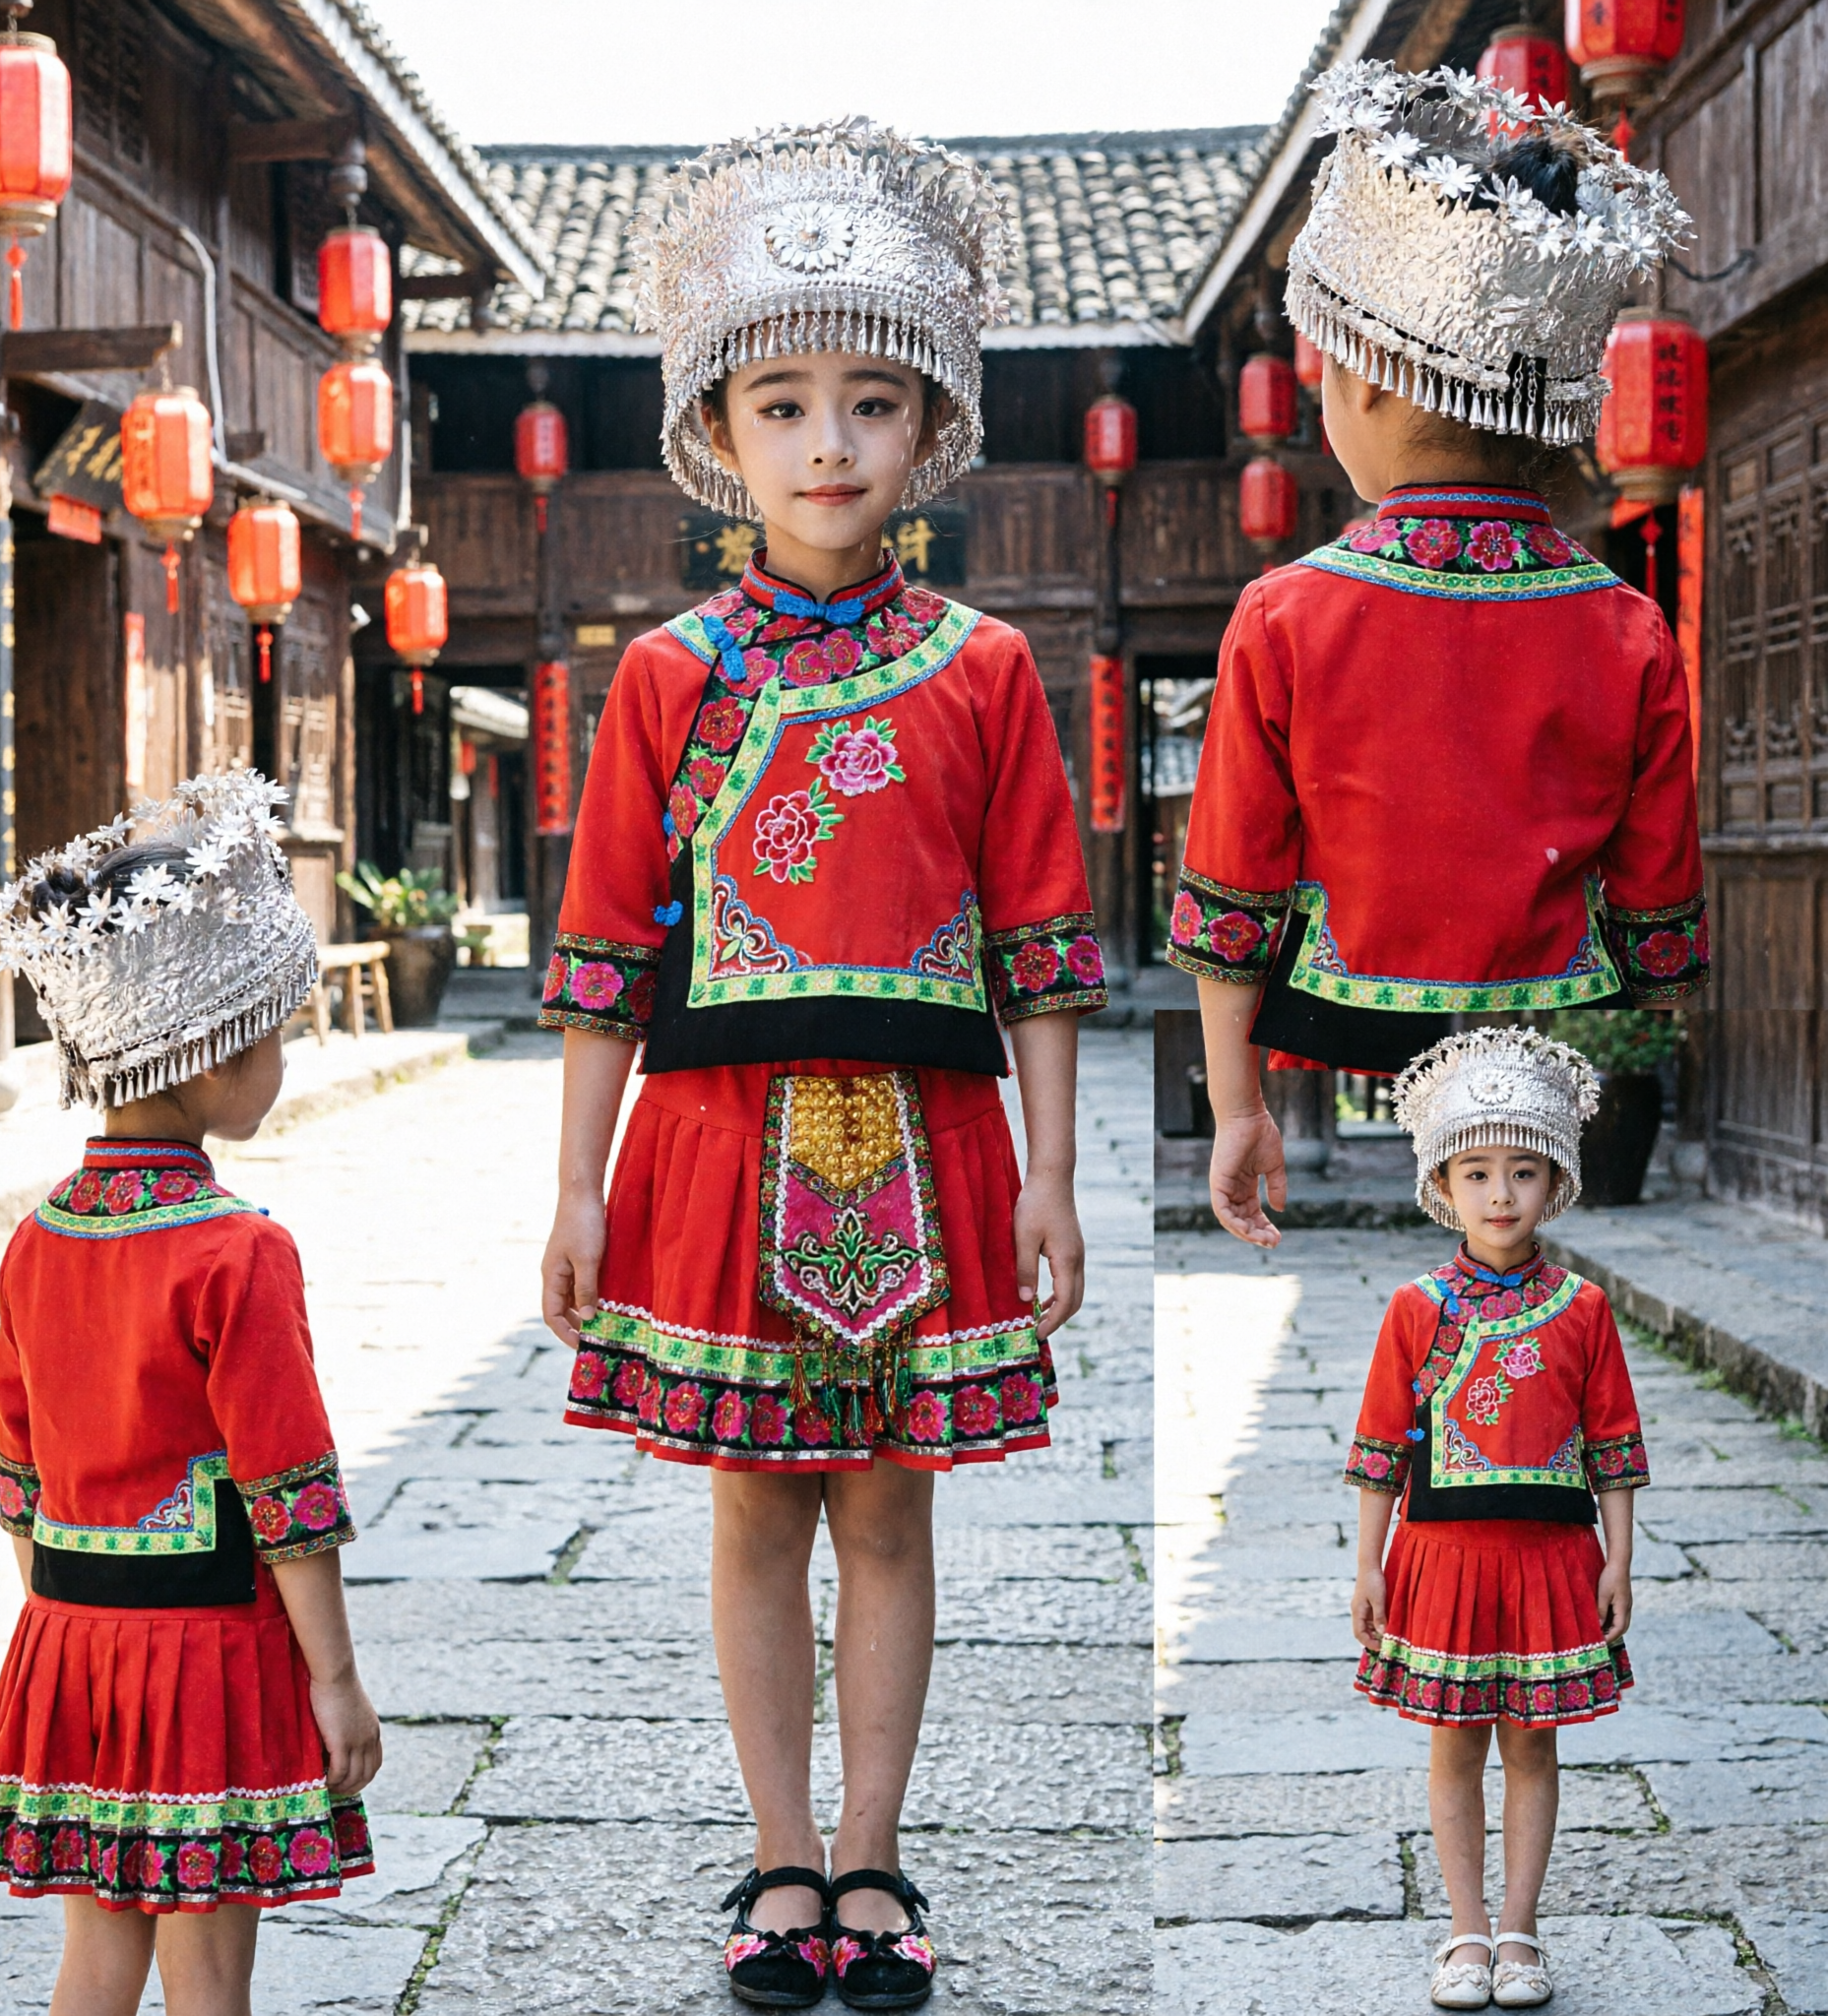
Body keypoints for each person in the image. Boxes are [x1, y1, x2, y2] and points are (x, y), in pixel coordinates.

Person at [536, 119, 1107, 2011]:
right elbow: (609, 954)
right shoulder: (664, 676)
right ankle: (777, 1850)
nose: (829, 443)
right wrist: (570, 1184)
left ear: (932, 425)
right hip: (715, 1137)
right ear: (718, 429)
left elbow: (1037, 939)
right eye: (781, 403)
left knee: (887, 1504)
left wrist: (1053, 1167)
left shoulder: (986, 666)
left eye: (871, 400)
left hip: (928, 1141)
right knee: (750, 1504)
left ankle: (876, 1851)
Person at [1168, 60, 1706, 1247]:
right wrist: (1641, 1004)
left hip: (1344, 1003)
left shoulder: (1284, 612)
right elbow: (1659, 902)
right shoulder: (1627, 622)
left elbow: (1230, 888)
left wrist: (1238, 1102)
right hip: (1557, 1019)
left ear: (1355, 382)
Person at [0, 771, 380, 2016]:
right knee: (210, 1974)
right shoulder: (236, 1250)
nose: (282, 1060)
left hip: (76, 1642)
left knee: (96, 1958)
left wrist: (77, 1637)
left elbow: (20, 1479)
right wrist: (336, 1678)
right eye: (272, 1032)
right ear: (202, 1053)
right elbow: (289, 1490)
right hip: (210, 1652)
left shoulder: (38, 1238)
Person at [1346, 1029, 1646, 2010]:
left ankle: (1519, 1927)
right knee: (1452, 1742)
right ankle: (1461, 1929)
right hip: (1437, 1555)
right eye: (1475, 1171)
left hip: (1552, 1558)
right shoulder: (1411, 1306)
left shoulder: (1583, 1307)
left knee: (1530, 1743)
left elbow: (1611, 1444)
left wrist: (1618, 1560)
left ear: (1554, 1180)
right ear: (1441, 1181)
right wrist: (1366, 1564)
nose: (1499, 1193)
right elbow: (1380, 1447)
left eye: (1522, 1170)